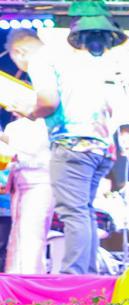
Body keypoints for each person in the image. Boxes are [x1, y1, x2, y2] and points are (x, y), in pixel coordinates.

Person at [8, 27, 113, 275]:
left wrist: (30, 111)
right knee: (84, 211)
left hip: (72, 143)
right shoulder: (70, 57)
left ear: (19, 52)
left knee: (74, 212)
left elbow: (48, 101)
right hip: (100, 144)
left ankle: (74, 275)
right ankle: (87, 273)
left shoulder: (40, 58)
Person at [1, 114, 52, 274]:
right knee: (18, 233)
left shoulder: (46, 123)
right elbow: (8, 158)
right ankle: (16, 277)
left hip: (40, 181)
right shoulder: (13, 126)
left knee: (32, 233)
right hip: (18, 182)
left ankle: (30, 277)